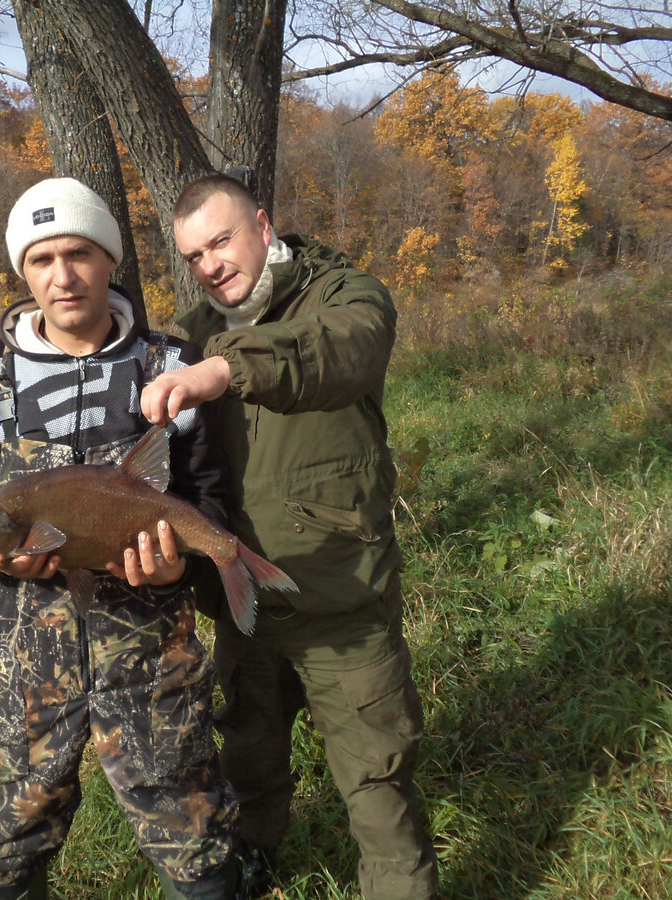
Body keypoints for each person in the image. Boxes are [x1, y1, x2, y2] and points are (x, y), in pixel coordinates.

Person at [0, 177, 242, 900]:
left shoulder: (171, 363)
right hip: (19, 650)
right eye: (41, 260)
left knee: (185, 811)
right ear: (22, 272)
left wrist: (178, 575)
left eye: (79, 253)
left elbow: (208, 497)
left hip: (150, 640)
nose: (61, 276)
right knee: (8, 822)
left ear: (109, 261)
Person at [140, 173, 438, 899]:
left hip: (341, 599)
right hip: (244, 601)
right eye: (193, 256)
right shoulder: (193, 331)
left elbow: (337, 352)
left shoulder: (347, 297)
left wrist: (225, 369)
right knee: (249, 754)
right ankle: (254, 865)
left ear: (263, 226)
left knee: (377, 782)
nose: (210, 264)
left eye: (221, 240)